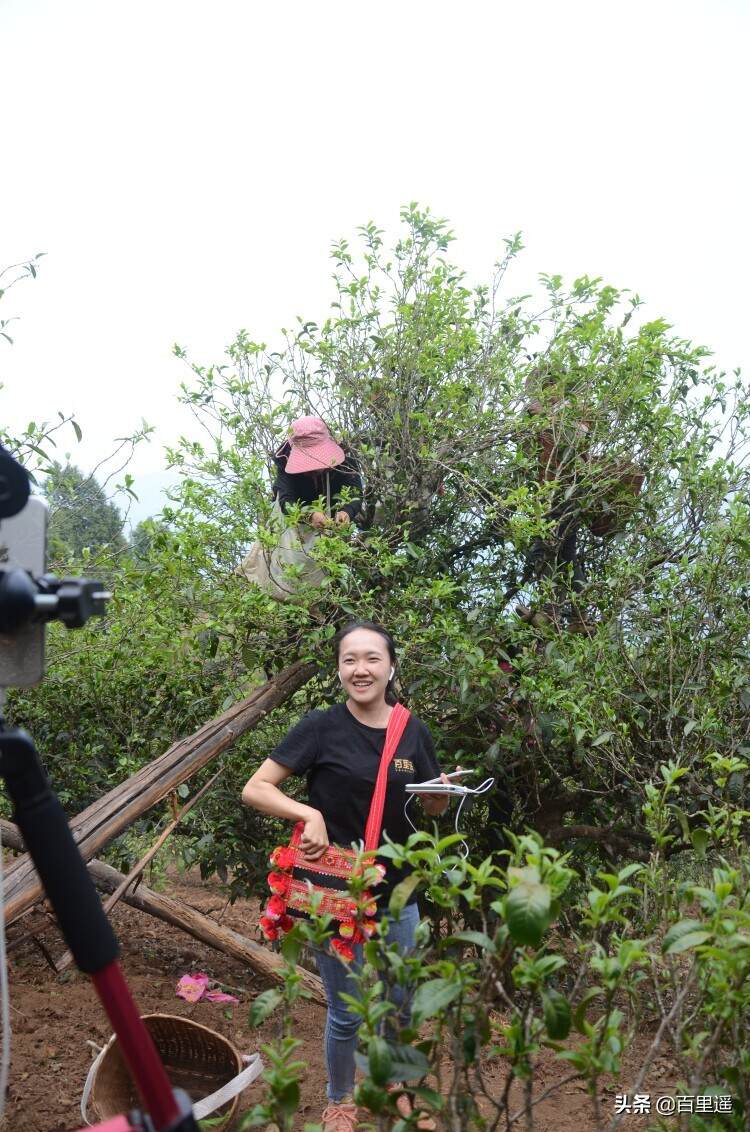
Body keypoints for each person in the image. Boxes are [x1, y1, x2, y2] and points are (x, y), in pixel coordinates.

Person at [241, 620, 451, 1132]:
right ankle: (339, 1099)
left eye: (372, 659)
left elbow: (434, 809)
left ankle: (396, 1084)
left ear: (391, 667)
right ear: (339, 669)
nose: (361, 669)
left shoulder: (412, 730)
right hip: (334, 888)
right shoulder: (320, 727)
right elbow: (257, 788)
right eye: (350, 659)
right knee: (346, 1009)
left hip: (398, 890)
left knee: (402, 1000)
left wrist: (441, 793)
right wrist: (307, 815)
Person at [273, 415, 363, 528]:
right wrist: (308, 516)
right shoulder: (284, 462)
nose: (315, 468)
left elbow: (355, 493)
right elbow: (286, 501)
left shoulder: (346, 461)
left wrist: (347, 512)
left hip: (334, 529)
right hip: (297, 530)